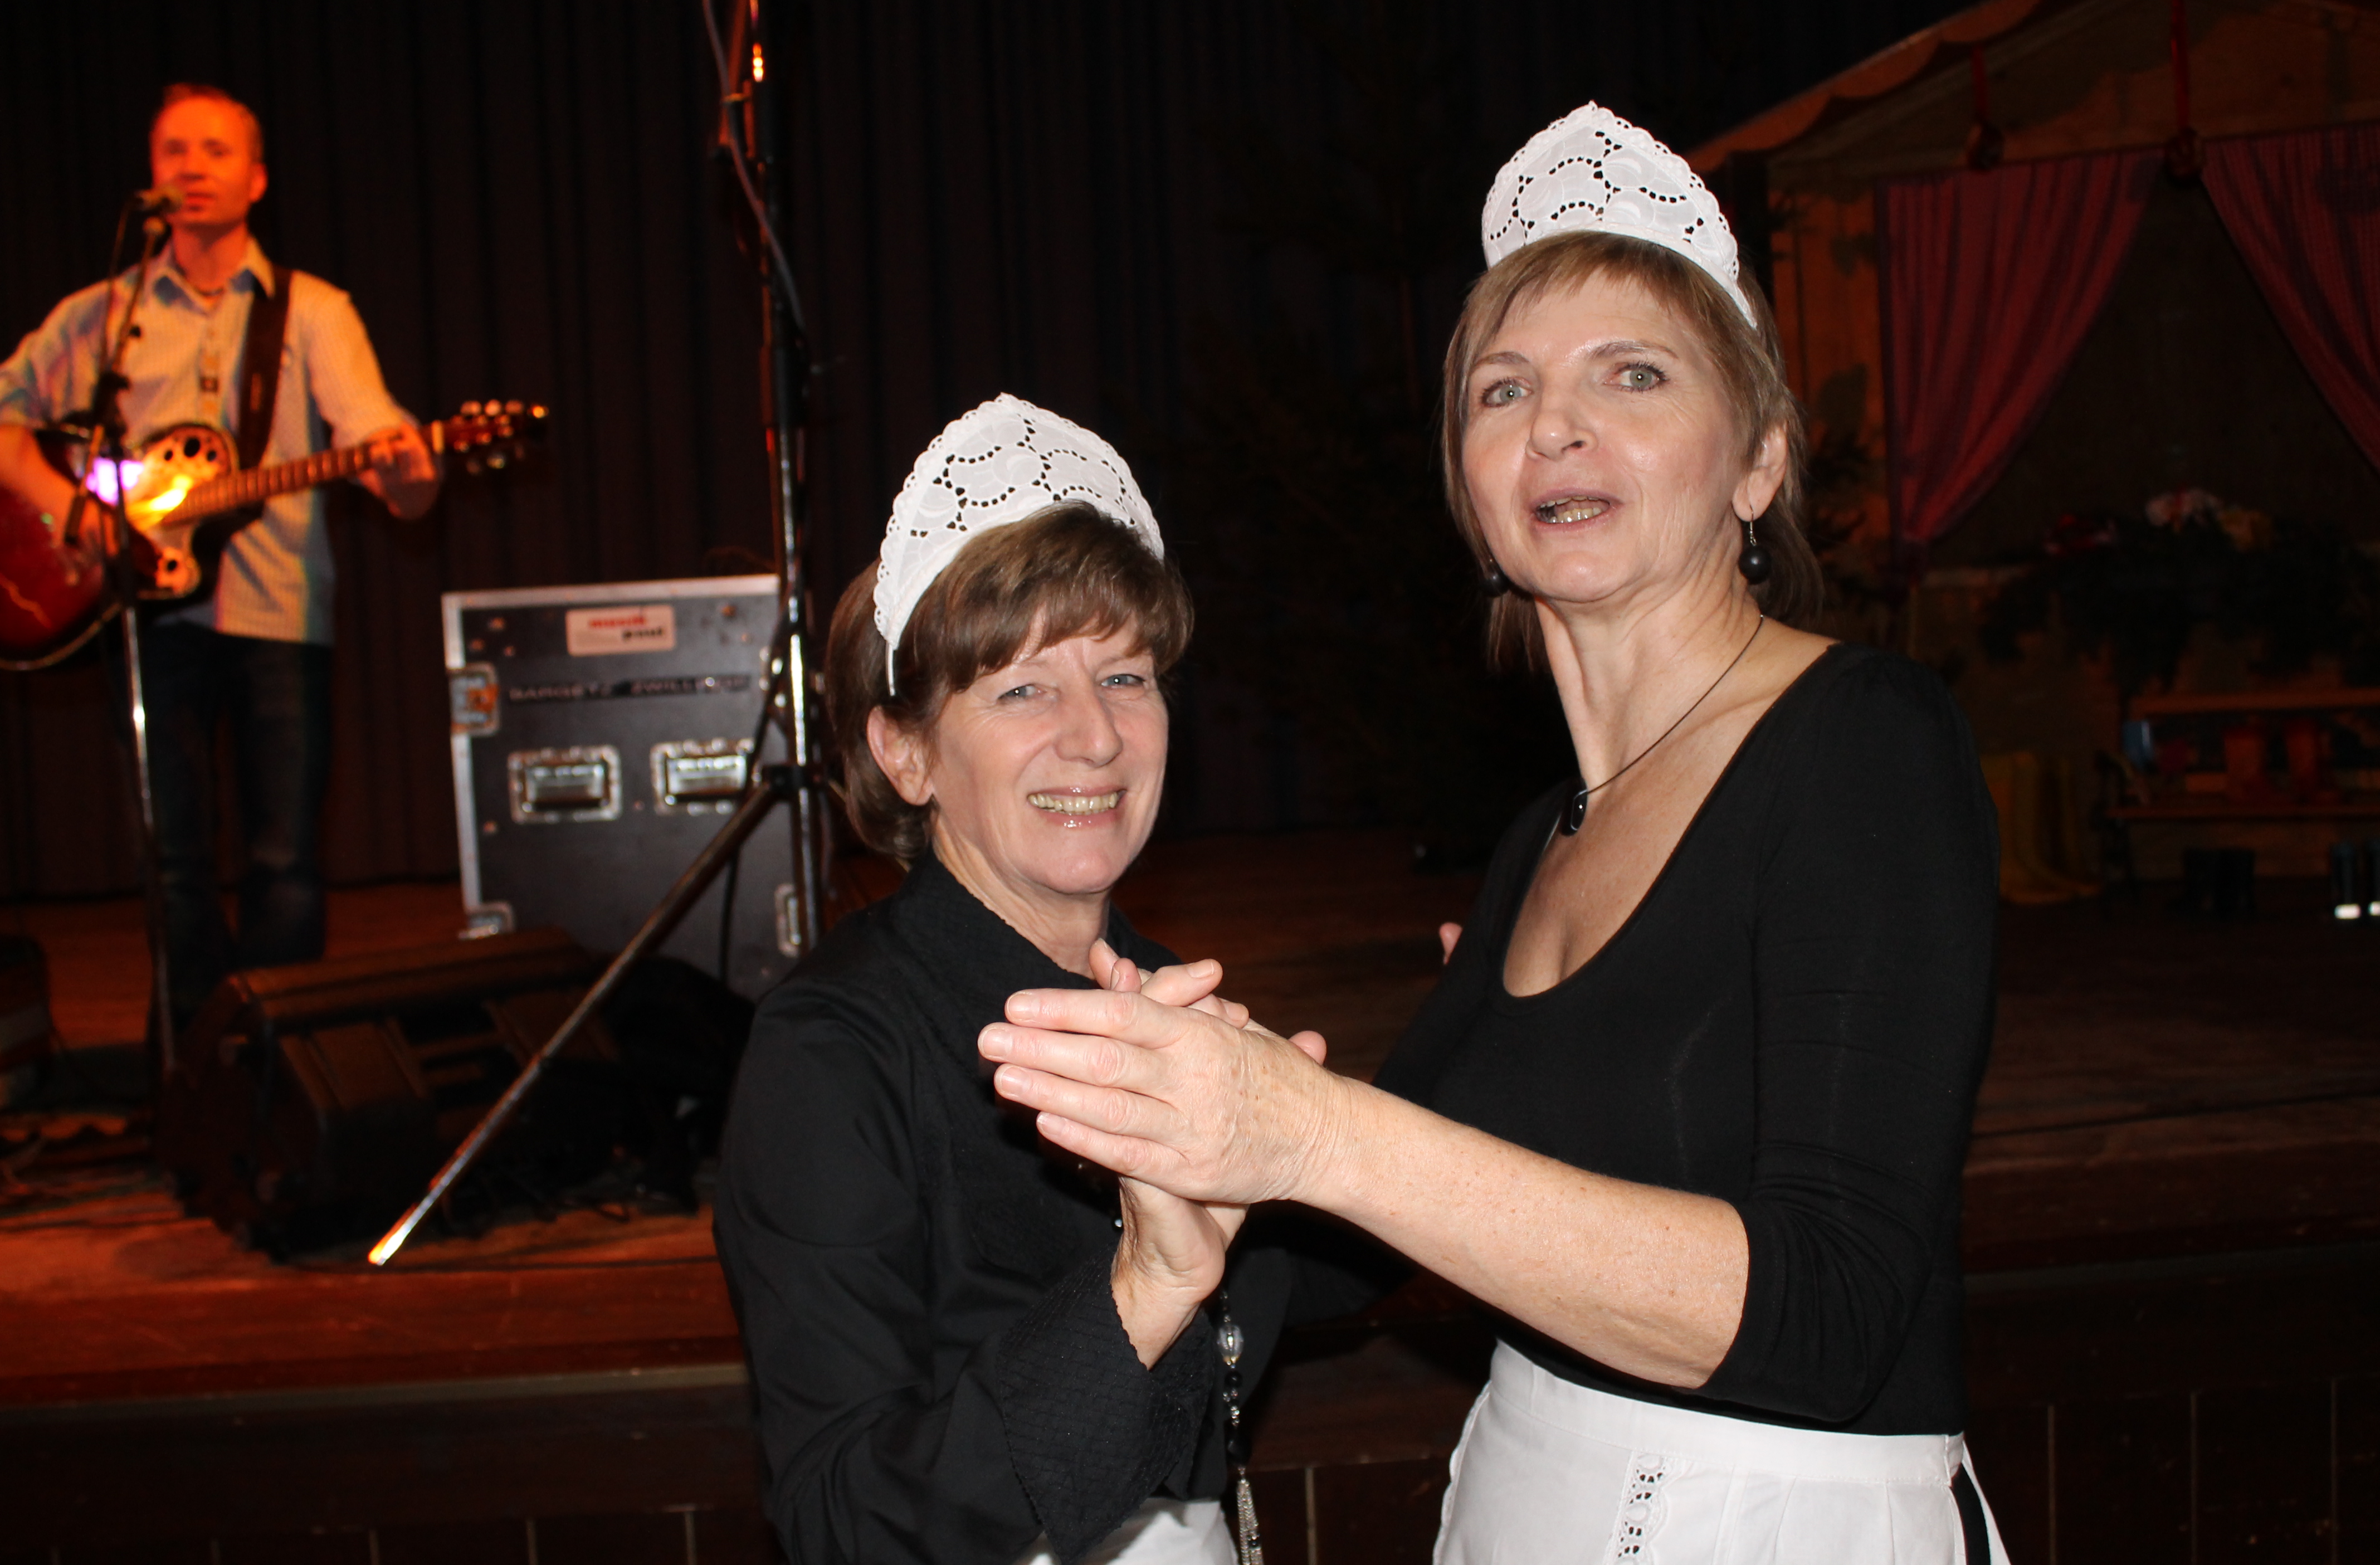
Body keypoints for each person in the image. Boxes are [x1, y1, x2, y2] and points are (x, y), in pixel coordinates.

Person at [977, 106, 2010, 1563]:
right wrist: (1176, 1131)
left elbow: (1831, 1317)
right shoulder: (1543, 840)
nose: (1556, 425)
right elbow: (1348, 1257)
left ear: (1760, 462)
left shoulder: (1861, 743)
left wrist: (1309, 1126)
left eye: (1633, 374)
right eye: (1504, 389)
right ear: (1471, 487)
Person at [714, 395, 1375, 1565]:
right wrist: (1144, 1288)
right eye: (1023, 689)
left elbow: (1325, 1274)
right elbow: (843, 1522)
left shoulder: (1171, 999)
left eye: (1125, 677)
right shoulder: (833, 1051)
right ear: (905, 751)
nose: (1097, 737)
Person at [0, 82, 439, 1028]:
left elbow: (380, 451)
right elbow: (6, 416)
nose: (192, 168)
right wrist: (70, 508)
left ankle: (278, 1056)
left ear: (257, 179)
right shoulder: (102, 315)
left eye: (215, 151)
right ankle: (194, 1063)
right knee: (173, 860)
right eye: (174, 151)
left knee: (285, 857)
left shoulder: (312, 311)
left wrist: (411, 468)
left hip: (278, 608)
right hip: (139, 615)